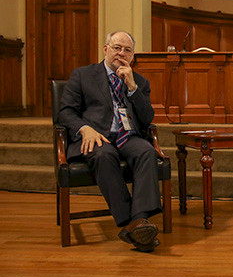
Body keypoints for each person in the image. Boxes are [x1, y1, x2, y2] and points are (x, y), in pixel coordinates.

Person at [58, 31, 162, 252]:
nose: (121, 54)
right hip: (96, 136)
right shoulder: (83, 75)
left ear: (133, 56)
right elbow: (65, 112)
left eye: (127, 50)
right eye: (117, 48)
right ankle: (133, 224)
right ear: (105, 49)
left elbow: (147, 118)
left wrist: (133, 89)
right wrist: (84, 129)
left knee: (147, 151)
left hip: (127, 136)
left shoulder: (140, 82)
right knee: (104, 154)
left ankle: (139, 219)